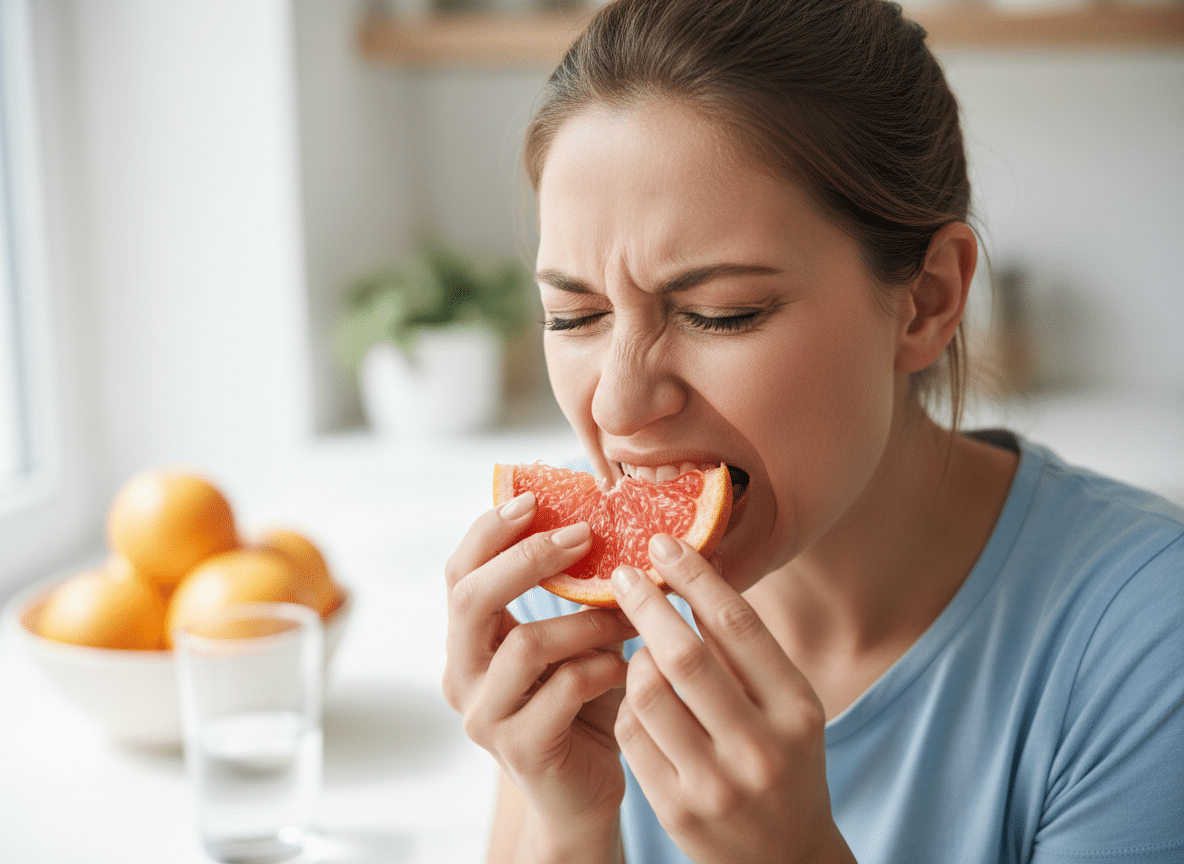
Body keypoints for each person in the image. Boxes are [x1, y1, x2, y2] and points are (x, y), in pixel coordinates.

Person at [441, 1, 1184, 862]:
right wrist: (568, 824)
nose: (617, 409)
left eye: (721, 313)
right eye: (575, 317)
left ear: (927, 301)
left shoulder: (1146, 648)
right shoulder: (566, 589)